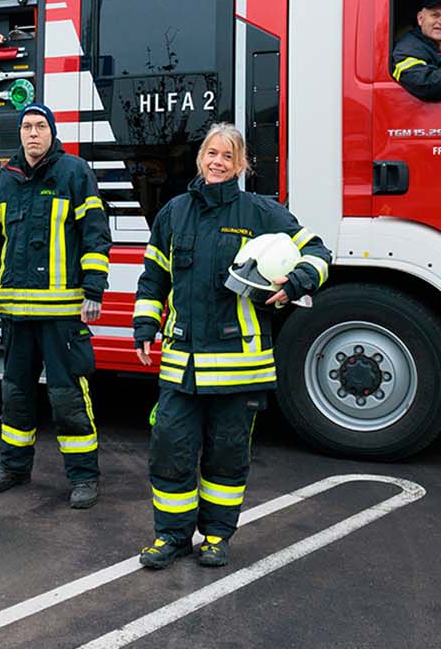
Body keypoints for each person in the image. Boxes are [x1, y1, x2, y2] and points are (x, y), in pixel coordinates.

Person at [131, 123, 330, 570]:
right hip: (181, 365)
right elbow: (154, 277)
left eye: (228, 156)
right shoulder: (173, 213)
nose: (217, 162)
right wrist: (145, 325)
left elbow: (317, 251)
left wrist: (295, 282)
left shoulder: (261, 213)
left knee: (226, 457)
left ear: (241, 165)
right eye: (211, 153)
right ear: (200, 158)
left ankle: (217, 536)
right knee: (170, 450)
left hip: (239, 368)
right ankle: (171, 537)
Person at [0, 104, 112, 509]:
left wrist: (94, 290)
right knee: (15, 395)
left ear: (52, 132)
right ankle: (13, 467)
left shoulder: (74, 172)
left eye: (40, 127)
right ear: (19, 134)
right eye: (26, 127)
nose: (32, 133)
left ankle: (84, 476)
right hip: (15, 313)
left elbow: (95, 235)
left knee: (68, 397)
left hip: (62, 315)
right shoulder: (6, 180)